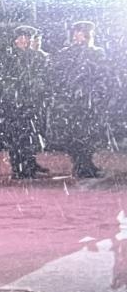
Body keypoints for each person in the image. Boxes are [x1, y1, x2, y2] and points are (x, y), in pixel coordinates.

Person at [48, 21, 110, 178]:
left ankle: (87, 162)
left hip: (90, 100)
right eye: (79, 32)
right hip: (72, 102)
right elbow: (58, 77)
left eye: (85, 33)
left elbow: (102, 75)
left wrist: (97, 94)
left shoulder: (97, 52)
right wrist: (69, 93)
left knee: (90, 134)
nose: (82, 36)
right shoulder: (66, 53)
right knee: (76, 134)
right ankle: (80, 164)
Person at [0, 26, 51, 179]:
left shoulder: (37, 57)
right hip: (14, 104)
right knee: (15, 136)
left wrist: (35, 90)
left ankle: (28, 164)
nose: (24, 41)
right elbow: (2, 80)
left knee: (30, 135)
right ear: (15, 40)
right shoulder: (7, 57)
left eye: (27, 38)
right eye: (21, 38)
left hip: (31, 103)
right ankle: (18, 165)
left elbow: (43, 78)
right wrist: (17, 92)